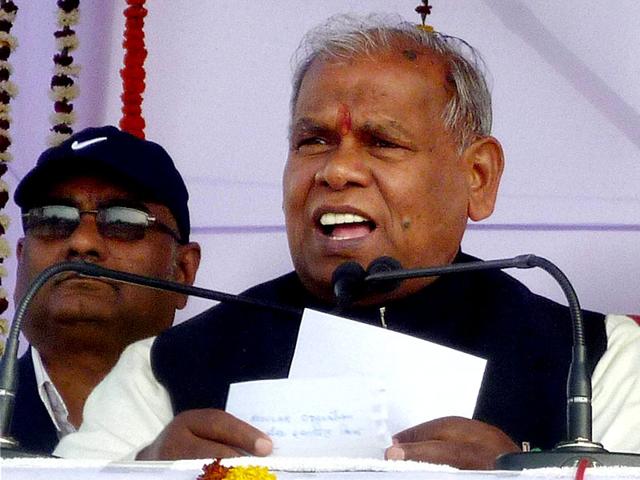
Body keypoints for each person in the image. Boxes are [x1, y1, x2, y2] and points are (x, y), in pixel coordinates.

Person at [55, 15, 640, 469]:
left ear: (477, 178)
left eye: (382, 142)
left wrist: (526, 479)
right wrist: (146, 473)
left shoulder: (597, 360)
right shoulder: (162, 369)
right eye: (312, 141)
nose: (336, 172)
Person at [8, 125, 201, 453]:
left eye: (124, 219)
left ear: (182, 270)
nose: (82, 242)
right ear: (22, 258)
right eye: (53, 218)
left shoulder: (228, 417)